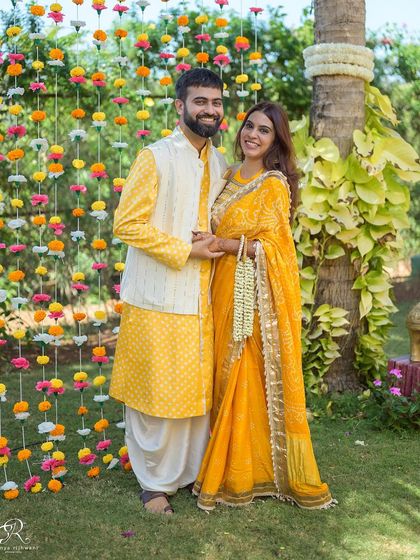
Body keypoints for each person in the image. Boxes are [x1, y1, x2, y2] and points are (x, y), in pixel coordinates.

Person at [193, 101, 335, 510]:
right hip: (216, 286)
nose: (253, 134)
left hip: (250, 294)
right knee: (221, 372)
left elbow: (275, 248)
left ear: (277, 140)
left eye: (264, 130)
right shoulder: (227, 175)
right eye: (249, 126)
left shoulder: (273, 184)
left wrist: (224, 243)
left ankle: (243, 471)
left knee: (244, 375)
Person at [110, 68, 227, 515]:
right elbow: (127, 224)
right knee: (155, 392)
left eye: (215, 103)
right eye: (200, 102)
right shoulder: (154, 157)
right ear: (180, 107)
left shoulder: (218, 163)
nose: (209, 110)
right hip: (158, 293)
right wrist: (186, 251)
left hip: (202, 297)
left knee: (195, 393)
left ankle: (188, 474)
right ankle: (152, 482)